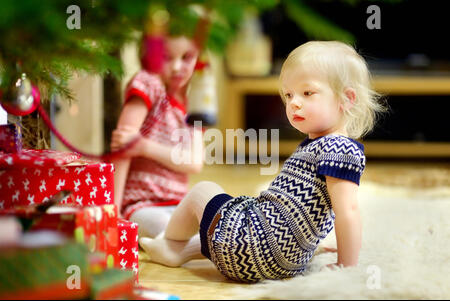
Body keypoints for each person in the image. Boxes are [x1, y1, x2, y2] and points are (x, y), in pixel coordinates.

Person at [139, 40, 386, 283]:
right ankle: (178, 252)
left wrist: (347, 265)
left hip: (251, 250)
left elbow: (348, 211)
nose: (294, 103)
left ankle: (167, 239)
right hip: (282, 264)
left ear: (347, 99)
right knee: (234, 215)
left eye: (307, 93)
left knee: (203, 191)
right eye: (289, 95)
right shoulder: (325, 146)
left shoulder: (338, 148)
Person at [111, 34, 204, 238]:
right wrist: (113, 212)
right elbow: (122, 146)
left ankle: (191, 247)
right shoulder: (148, 83)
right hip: (141, 205)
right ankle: (187, 247)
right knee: (170, 231)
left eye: (186, 57)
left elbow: (194, 162)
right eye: (167, 57)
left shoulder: (194, 102)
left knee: (211, 211)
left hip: (180, 205)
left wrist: (144, 147)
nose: (177, 67)